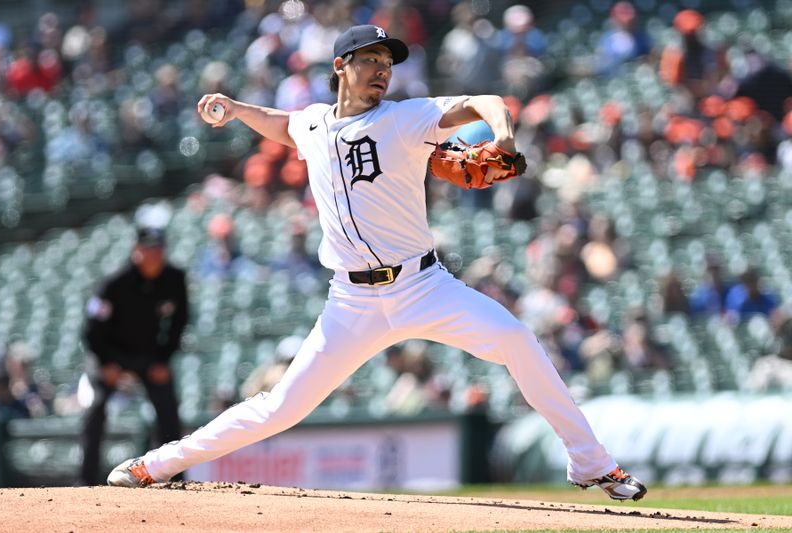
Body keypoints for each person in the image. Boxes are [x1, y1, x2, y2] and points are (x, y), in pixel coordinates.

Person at [108, 24, 647, 501]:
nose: (383, 72)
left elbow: (486, 100)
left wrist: (502, 135)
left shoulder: (406, 119)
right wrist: (237, 108)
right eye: (371, 60)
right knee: (279, 409)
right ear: (340, 65)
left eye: (388, 64)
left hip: (423, 286)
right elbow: (283, 122)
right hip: (351, 302)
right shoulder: (315, 124)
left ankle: (591, 463)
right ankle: (156, 465)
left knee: (516, 341)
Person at [81, 225, 189, 485]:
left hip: (150, 355)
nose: (154, 255)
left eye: (158, 249)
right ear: (136, 250)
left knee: (168, 409)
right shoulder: (114, 281)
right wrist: (106, 363)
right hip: (111, 354)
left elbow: (180, 322)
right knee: (96, 408)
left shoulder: (173, 278)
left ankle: (175, 477)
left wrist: (164, 359)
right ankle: (86, 480)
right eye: (148, 249)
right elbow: (91, 329)